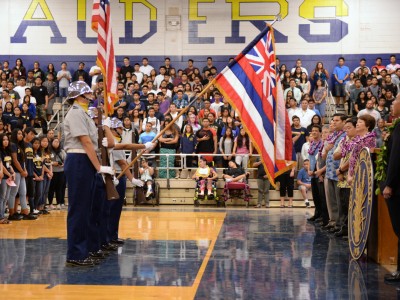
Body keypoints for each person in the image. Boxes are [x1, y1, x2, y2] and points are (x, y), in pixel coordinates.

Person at [63, 81, 115, 267]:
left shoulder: (83, 113)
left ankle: (83, 251)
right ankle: (76, 254)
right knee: (79, 210)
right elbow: (85, 142)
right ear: (78, 96)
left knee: (87, 209)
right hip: (79, 160)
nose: (91, 97)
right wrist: (99, 167)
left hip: (86, 161)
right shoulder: (76, 113)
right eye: (87, 94)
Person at [381, 94, 400, 284]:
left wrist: (389, 184)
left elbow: (395, 159)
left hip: (397, 188)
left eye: (395, 101)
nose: (392, 104)